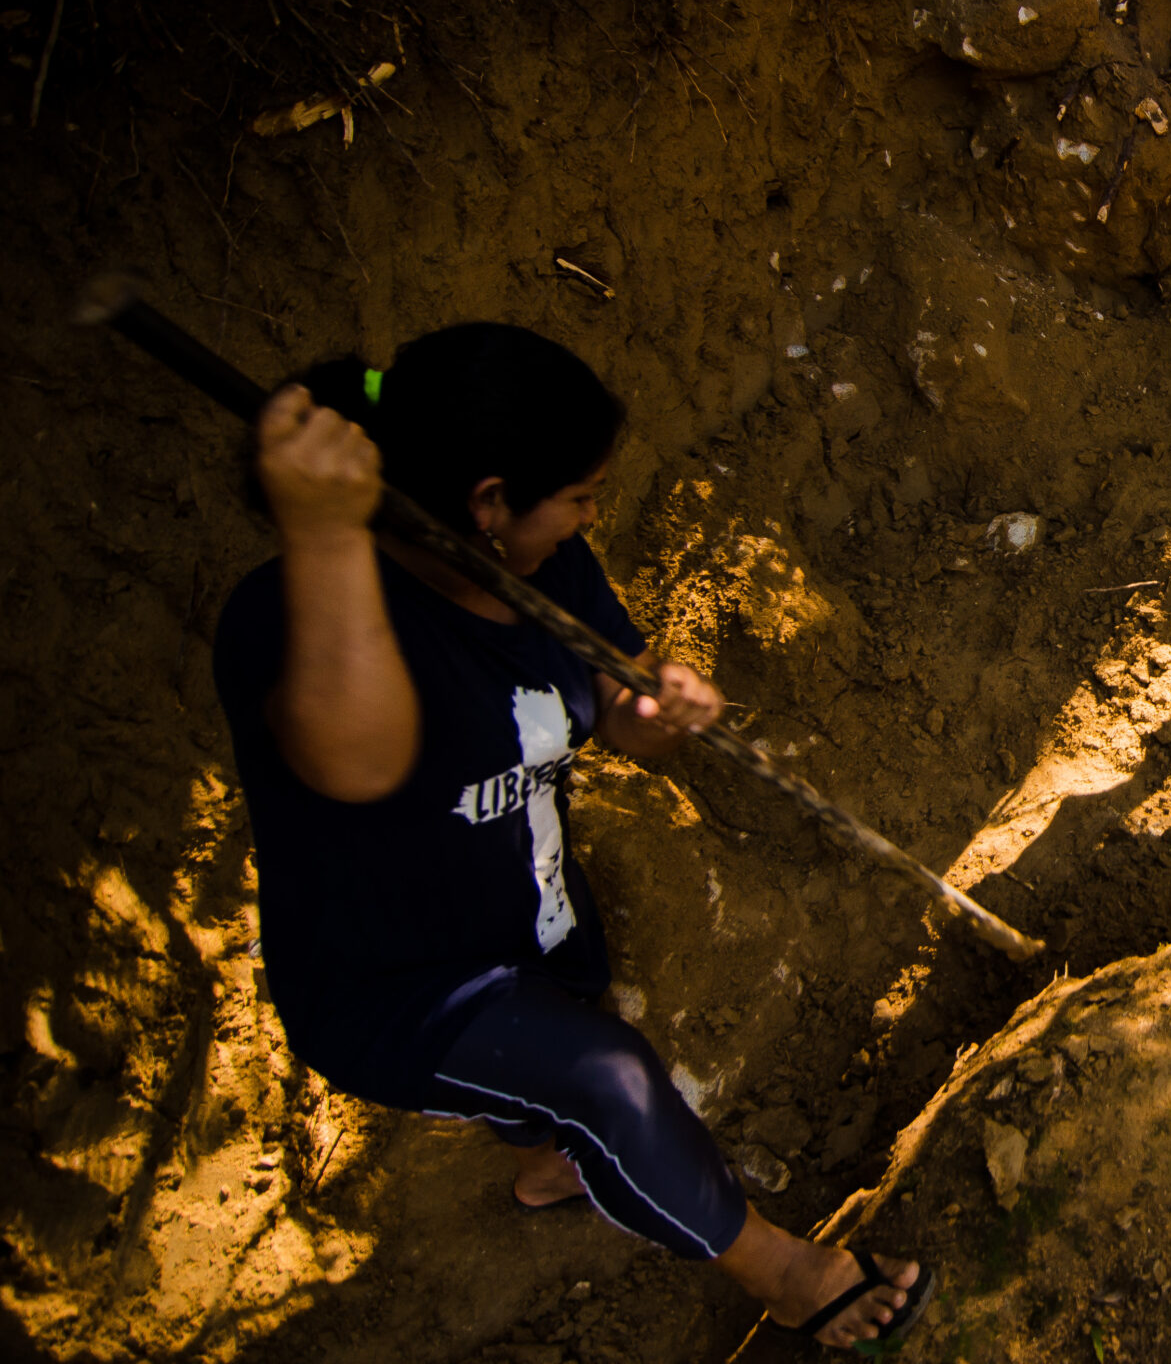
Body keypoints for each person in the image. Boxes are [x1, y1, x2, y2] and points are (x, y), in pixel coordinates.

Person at [213, 324, 931, 1351]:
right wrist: (327, 538)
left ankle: (557, 1162)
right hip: (396, 986)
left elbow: (610, 700)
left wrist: (657, 712)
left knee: (557, 1050)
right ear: (488, 503)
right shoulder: (296, 611)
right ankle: (789, 1274)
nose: (593, 513)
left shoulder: (549, 567)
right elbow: (358, 764)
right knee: (601, 1076)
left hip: (532, 914)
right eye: (582, 492)